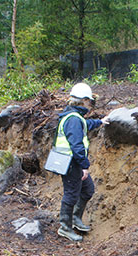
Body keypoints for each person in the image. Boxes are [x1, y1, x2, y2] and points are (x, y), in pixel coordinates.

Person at [55, 83, 108, 242]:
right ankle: (65, 227)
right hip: (71, 164)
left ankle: (75, 218)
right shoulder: (73, 119)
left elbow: (85, 125)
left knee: (88, 190)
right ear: (84, 100)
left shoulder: (75, 117)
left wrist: (100, 122)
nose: (90, 104)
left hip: (73, 162)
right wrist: (84, 166)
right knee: (71, 194)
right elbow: (77, 146)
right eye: (89, 101)